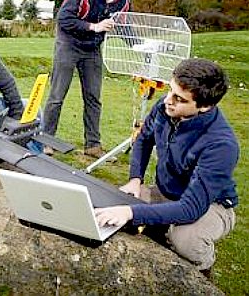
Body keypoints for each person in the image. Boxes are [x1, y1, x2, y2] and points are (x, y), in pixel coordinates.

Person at [95, 58, 238, 278]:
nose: (167, 101)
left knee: (186, 241)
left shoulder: (221, 145)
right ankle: (157, 239)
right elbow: (143, 138)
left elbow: (191, 208)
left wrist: (131, 211)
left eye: (179, 99)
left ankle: (203, 272)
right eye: (170, 90)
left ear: (205, 106)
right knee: (112, 202)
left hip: (210, 204)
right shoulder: (166, 106)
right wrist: (135, 179)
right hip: (166, 190)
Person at [42, 0, 131, 158]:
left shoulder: (123, 1)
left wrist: (141, 45)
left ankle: (92, 145)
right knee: (57, 96)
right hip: (68, 44)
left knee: (93, 97)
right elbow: (63, 18)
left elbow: (125, 26)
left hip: (92, 49)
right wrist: (94, 26)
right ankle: (46, 141)